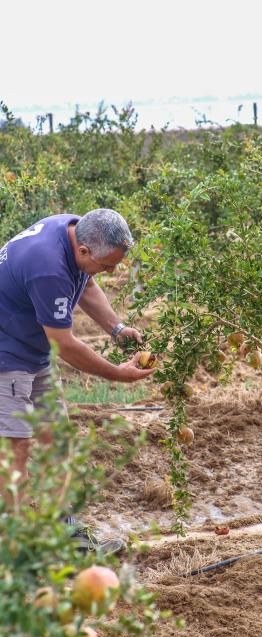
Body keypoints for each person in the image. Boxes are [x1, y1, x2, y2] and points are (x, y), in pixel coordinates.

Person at [0, 208, 155, 553]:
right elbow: (65, 345)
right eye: (107, 264)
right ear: (84, 251)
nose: (111, 271)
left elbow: (87, 285)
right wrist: (119, 374)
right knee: (16, 451)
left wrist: (115, 328)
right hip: (5, 357)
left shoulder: (75, 230)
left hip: (32, 352)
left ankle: (67, 537)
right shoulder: (47, 267)